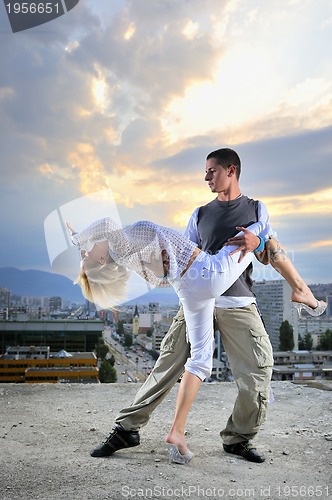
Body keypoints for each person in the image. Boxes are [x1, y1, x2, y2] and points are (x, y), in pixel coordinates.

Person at [79, 148, 326, 464]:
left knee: (258, 370)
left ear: (231, 170)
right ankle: (127, 429)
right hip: (199, 293)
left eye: (212, 171)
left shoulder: (256, 208)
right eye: (205, 172)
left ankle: (238, 438)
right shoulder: (199, 215)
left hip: (238, 301)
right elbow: (180, 258)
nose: (206, 177)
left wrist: (260, 243)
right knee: (166, 365)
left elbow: (270, 253)